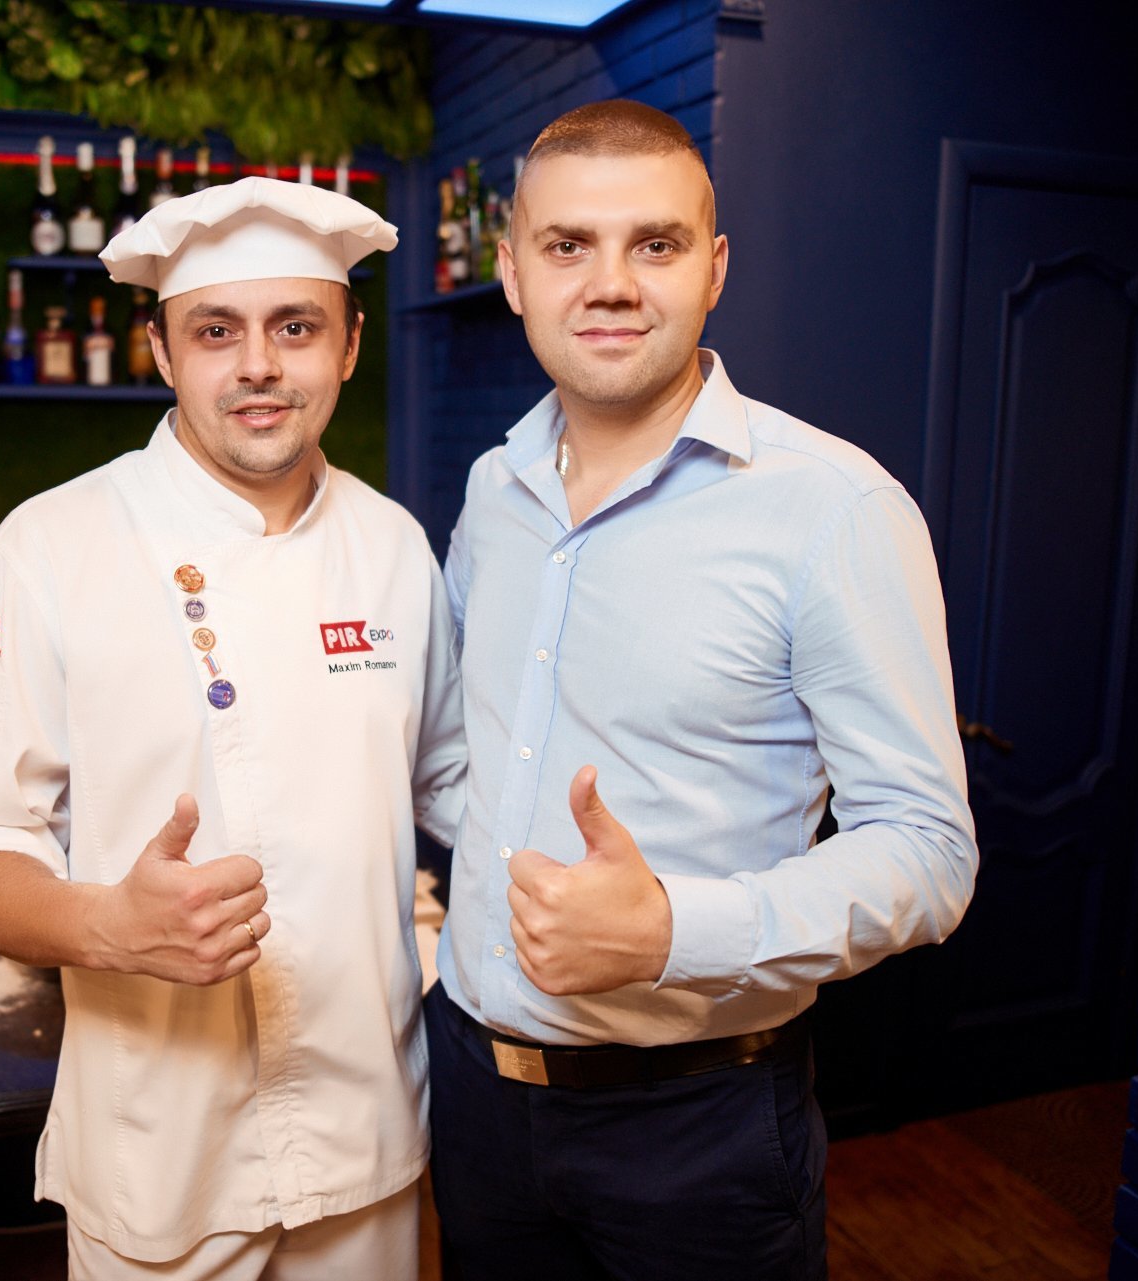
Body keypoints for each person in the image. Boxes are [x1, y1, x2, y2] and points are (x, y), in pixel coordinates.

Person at [426, 99, 979, 1280]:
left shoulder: (834, 510)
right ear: (513, 272)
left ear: (714, 270)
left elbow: (930, 853)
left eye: (656, 244)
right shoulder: (493, 486)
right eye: (568, 245)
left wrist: (675, 930)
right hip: (473, 1095)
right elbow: (474, 742)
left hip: (697, 1125)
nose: (611, 284)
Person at [0, 176, 464, 1281]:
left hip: (369, 1138)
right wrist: (105, 924)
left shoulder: (395, 548)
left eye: (295, 327)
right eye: (217, 331)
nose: (258, 365)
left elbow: (455, 787)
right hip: (158, 1161)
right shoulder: (50, 545)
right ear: (162, 351)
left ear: (349, 346)